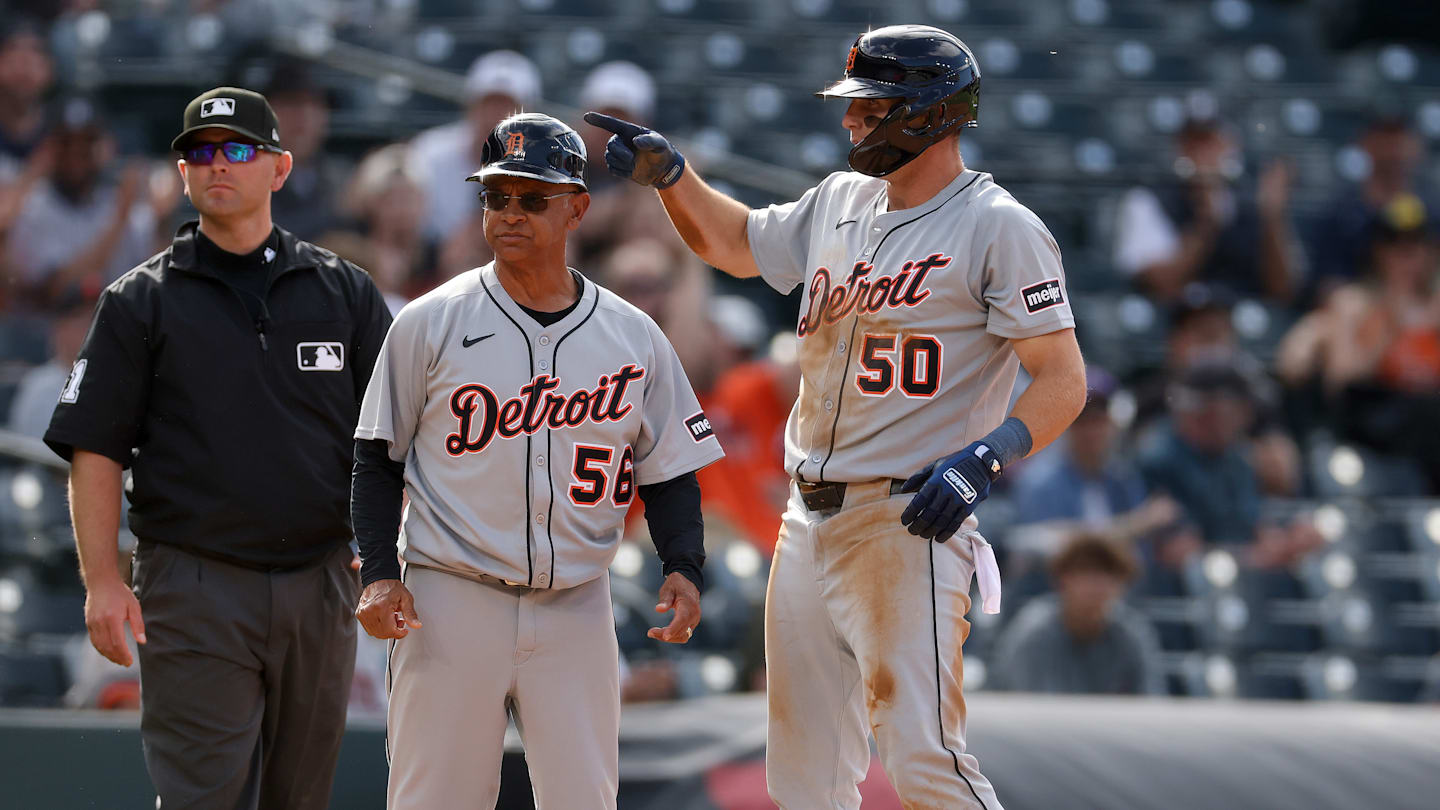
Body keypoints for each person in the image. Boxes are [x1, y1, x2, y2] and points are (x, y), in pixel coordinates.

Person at [588, 23, 1088, 809]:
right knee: (803, 779)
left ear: (928, 114)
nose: (852, 120)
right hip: (804, 518)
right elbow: (737, 245)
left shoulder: (999, 226)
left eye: (871, 106)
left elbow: (1062, 379)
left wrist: (987, 458)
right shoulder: (840, 202)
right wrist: (672, 177)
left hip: (908, 518)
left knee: (925, 759)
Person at [351, 113, 724, 809]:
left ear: (577, 208)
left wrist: (684, 566)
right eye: (497, 197)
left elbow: (670, 468)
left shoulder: (631, 334)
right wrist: (377, 571)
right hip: (451, 597)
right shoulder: (429, 322)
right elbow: (376, 459)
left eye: (532, 198)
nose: (510, 213)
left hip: (577, 606)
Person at [42, 86, 393, 810]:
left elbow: (395, 432)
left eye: (237, 150)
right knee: (206, 798)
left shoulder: (343, 292)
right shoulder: (139, 301)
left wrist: (382, 551)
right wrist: (103, 580)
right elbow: (95, 449)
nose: (216, 165)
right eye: (199, 154)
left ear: (281, 168)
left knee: (300, 797)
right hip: (195, 582)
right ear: (182, 175)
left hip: (321, 579)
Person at [1278, 192, 1440, 490]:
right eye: (1396, 246)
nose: (1408, 257)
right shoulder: (1353, 303)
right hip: (1375, 417)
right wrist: (1391, 323)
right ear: (1378, 252)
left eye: (1417, 245)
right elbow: (1342, 380)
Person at [4, 98, 178, 311]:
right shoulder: (33, 207)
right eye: (67, 143)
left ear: (106, 148)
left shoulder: (118, 201)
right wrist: (120, 218)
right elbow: (60, 288)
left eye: (86, 143)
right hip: (49, 333)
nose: (76, 154)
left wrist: (162, 219)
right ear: (49, 149)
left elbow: (162, 282)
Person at [1112, 117, 1302, 303]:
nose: (1203, 157)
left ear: (1230, 147)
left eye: (1213, 144)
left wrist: (1272, 217)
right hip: (1178, 320)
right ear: (1179, 149)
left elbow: (1283, 290)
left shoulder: (1252, 202)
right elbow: (1159, 284)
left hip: (1243, 319)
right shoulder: (1150, 198)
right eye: (1193, 146)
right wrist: (1207, 224)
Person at [989, 533, 1165, 696]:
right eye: (1086, 573)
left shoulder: (1133, 634)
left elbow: (1149, 701)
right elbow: (1029, 709)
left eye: (1108, 575)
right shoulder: (1033, 633)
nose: (1097, 585)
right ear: (1063, 579)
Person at [264, 59, 348, 241]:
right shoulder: (246, 174)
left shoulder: (343, 179)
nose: (303, 116)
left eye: (315, 105)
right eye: (291, 103)